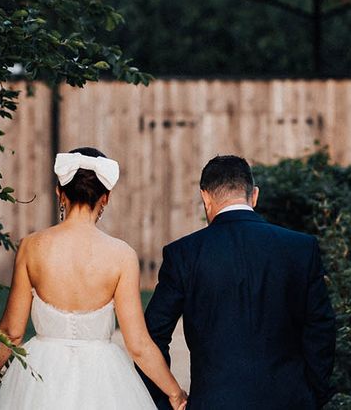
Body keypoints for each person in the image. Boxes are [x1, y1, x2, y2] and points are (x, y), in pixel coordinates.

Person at [0, 147, 188, 410]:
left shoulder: (31, 247)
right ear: (105, 198)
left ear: (60, 194)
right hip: (104, 380)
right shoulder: (122, 256)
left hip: (39, 378)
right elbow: (138, 344)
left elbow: (11, 333)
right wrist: (174, 392)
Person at [142, 154, 336, 409]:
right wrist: (312, 395)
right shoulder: (300, 248)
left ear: (205, 197)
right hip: (290, 401)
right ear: (254, 195)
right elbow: (321, 329)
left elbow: (152, 335)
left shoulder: (184, 254)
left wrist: (168, 399)